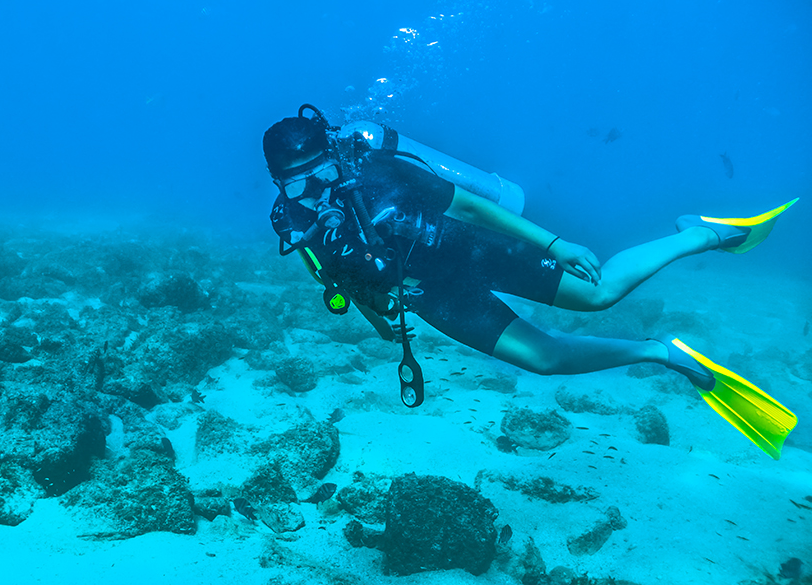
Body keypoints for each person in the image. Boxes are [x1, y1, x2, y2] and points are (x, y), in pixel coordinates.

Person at [263, 104, 799, 459]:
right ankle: (659, 352)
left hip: (472, 249)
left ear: (334, 156)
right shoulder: (293, 219)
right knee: (546, 359)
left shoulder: (380, 173)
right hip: (432, 295)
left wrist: (553, 244)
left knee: (600, 293)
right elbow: (339, 279)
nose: (312, 189)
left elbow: (471, 205)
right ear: (278, 183)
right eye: (294, 182)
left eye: (319, 171)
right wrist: (382, 323)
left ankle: (700, 235)